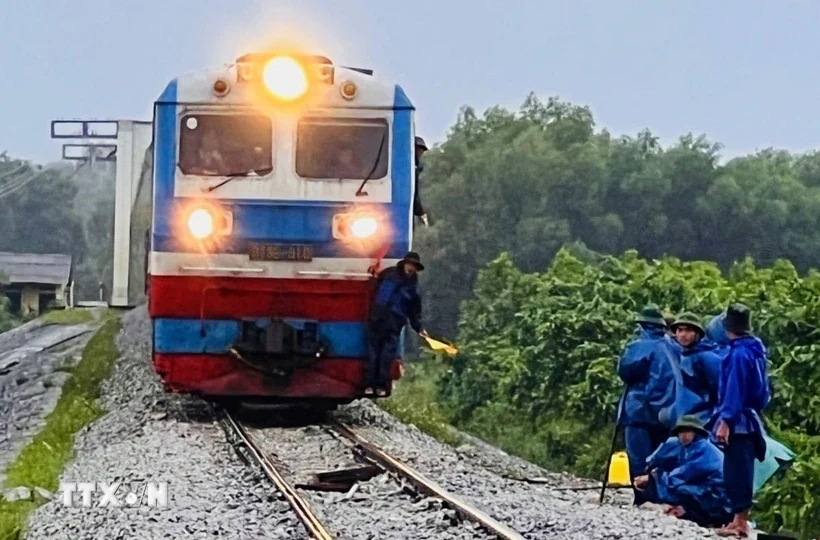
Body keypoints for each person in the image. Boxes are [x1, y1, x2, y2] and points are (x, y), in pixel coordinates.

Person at [713, 303, 769, 538]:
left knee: (736, 471)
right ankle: (739, 520)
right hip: (750, 417)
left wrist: (726, 421)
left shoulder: (738, 354)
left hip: (739, 422)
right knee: (741, 469)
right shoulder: (755, 351)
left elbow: (733, 391)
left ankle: (739, 523)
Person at [617, 303, 680, 505]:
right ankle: (661, 498)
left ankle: (643, 499)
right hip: (668, 412)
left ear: (643, 325)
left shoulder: (640, 346)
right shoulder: (674, 346)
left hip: (640, 410)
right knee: (660, 457)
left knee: (639, 458)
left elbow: (625, 372)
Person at [634, 415, 733, 527]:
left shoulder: (704, 451)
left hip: (720, 500)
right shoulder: (692, 448)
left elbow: (681, 475)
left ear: (696, 433)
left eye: (687, 431)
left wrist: (653, 477)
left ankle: (689, 512)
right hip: (711, 493)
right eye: (681, 432)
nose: (683, 435)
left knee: (679, 488)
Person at [365, 252, 428, 396]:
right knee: (373, 354)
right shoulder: (389, 275)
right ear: (405, 264)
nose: (411, 268)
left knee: (386, 356)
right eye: (410, 264)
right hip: (377, 319)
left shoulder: (413, 287)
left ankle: (380, 385)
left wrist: (419, 327)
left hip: (393, 324)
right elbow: (376, 291)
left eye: (414, 266)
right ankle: (369, 384)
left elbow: (414, 310)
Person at [668, 312, 723, 427]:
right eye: (680, 330)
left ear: (697, 333)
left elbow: (720, 390)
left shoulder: (707, 357)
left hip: (703, 420)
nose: (683, 335)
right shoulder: (679, 354)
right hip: (683, 418)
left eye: (688, 330)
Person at [414, 136, 430, 227]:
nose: (420, 152)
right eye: (418, 149)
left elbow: (415, 193)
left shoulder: (417, 168)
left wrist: (421, 212)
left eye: (422, 150)